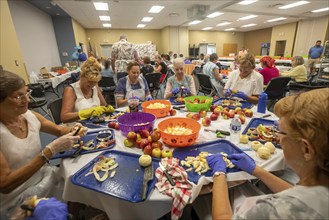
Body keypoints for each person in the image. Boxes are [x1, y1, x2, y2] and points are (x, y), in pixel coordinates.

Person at [206, 88, 329, 219]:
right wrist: (256, 170)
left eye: (281, 132)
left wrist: (219, 174)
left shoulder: (276, 210)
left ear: (306, 149)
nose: (277, 137)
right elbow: (301, 193)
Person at [0, 71, 86, 219]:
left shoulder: (30, 116)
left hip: (44, 177)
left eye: (27, 93)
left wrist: (75, 129)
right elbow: (6, 184)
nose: (26, 99)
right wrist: (49, 152)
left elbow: (59, 130)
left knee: (77, 181)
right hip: (17, 199)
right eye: (17, 96)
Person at [61, 57, 114, 123]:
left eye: (95, 82)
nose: (92, 85)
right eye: (90, 81)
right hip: (78, 128)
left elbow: (104, 106)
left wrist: (107, 108)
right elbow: (64, 117)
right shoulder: (71, 90)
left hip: (94, 124)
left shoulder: (94, 86)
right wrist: (86, 113)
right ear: (82, 76)